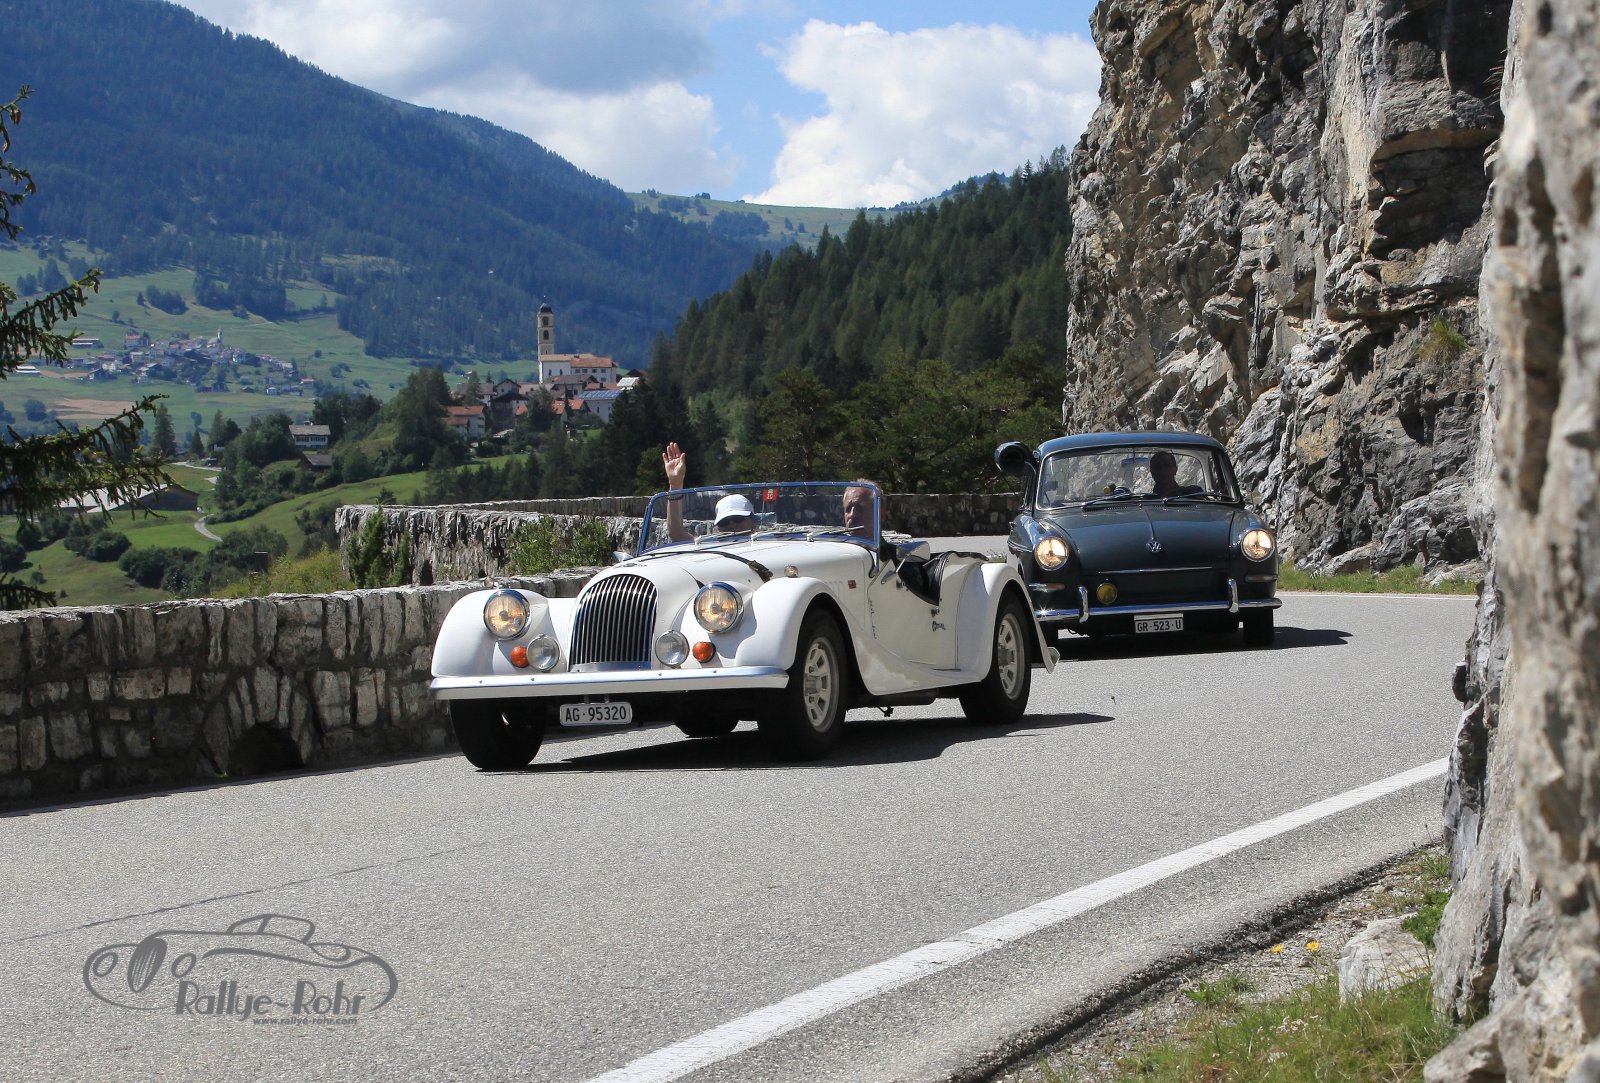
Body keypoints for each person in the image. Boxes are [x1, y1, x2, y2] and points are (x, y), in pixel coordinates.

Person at [660, 441, 757, 542]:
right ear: (718, 528)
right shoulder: (711, 547)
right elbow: (676, 534)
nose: (732, 525)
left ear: (752, 521)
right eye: (724, 522)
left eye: (738, 518)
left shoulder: (765, 542)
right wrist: (675, 484)